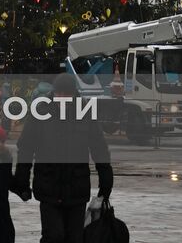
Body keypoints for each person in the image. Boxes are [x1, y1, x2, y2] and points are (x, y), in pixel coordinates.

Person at [14, 72, 113, 243]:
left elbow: (99, 148)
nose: (62, 98)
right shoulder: (41, 110)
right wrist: (21, 180)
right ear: (54, 92)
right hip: (48, 186)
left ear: (73, 93)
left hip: (76, 186)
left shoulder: (85, 111)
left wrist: (106, 179)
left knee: (74, 238)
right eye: (59, 93)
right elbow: (26, 147)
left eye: (66, 94)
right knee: (54, 236)